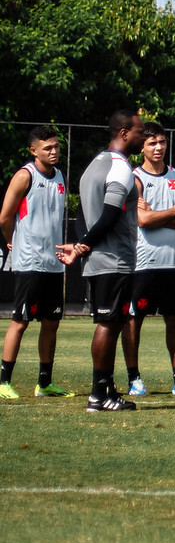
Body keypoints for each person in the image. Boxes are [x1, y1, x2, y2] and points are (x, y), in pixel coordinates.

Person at [56, 109, 146, 412]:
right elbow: (109, 215)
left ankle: (105, 389)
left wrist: (83, 245)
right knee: (109, 324)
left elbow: (83, 215)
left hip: (97, 259)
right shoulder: (120, 168)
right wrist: (82, 246)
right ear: (124, 133)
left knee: (110, 322)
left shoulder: (93, 165)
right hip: (115, 259)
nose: (143, 136)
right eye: (139, 131)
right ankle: (99, 394)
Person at [127, 122, 175, 397]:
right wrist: (174, 210)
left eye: (161, 142)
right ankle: (134, 377)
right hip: (144, 263)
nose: (158, 148)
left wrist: (160, 215)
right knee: (134, 320)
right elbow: (142, 220)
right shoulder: (134, 178)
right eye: (151, 143)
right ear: (142, 148)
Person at [0, 126, 72, 399]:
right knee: (20, 321)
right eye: (47, 148)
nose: (54, 152)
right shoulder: (24, 175)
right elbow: (5, 216)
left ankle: (44, 383)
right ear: (33, 150)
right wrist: (12, 241)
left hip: (53, 262)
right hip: (29, 261)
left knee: (51, 322)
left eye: (56, 147)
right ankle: (4, 381)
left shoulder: (60, 176)